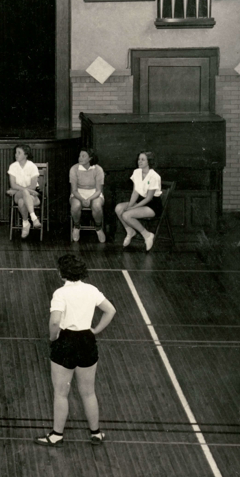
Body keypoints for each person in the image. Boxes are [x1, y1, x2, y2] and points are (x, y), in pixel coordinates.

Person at [37, 254, 116, 447]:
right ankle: (96, 433)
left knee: (61, 392)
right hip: (87, 341)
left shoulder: (60, 294)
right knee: (88, 392)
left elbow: (55, 320)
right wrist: (96, 330)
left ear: (61, 273)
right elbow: (110, 310)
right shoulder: (91, 290)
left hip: (66, 341)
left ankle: (57, 435)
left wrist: (53, 337)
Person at [115, 150, 162, 251]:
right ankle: (130, 231)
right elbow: (135, 192)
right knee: (118, 208)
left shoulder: (154, 176)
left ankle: (147, 235)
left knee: (126, 215)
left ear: (149, 162)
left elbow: (149, 198)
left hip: (153, 205)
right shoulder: (136, 172)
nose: (139, 161)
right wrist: (130, 205)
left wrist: (133, 207)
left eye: (143, 159)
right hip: (140, 202)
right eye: (139, 159)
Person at [69, 149, 106, 243]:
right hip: (78, 193)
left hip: (94, 194)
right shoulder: (74, 169)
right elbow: (74, 190)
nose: (80, 158)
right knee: (76, 206)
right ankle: (76, 226)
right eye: (79, 156)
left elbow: (98, 190)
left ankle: (98, 228)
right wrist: (82, 199)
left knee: (97, 206)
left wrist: (89, 199)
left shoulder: (98, 169)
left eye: (83, 156)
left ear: (90, 158)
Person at [7, 144, 42, 238]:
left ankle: (25, 223)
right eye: (15, 152)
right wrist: (23, 190)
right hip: (21, 194)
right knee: (25, 193)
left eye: (19, 153)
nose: (16, 155)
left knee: (22, 201)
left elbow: (33, 186)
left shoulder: (32, 166)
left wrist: (15, 190)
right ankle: (34, 218)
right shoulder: (13, 166)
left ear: (26, 155)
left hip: (31, 196)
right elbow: (13, 185)